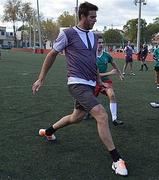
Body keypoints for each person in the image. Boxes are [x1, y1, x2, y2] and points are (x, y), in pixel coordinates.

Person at [31, 2, 128, 176]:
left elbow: (93, 62)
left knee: (76, 117)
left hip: (90, 84)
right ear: (82, 16)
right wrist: (41, 78)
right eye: (92, 17)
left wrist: (99, 80)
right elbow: (52, 54)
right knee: (101, 114)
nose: (95, 20)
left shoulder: (94, 36)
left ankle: (48, 132)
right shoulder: (67, 34)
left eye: (96, 17)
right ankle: (116, 159)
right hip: (76, 83)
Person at [91, 36, 124, 126]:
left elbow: (114, 64)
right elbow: (94, 74)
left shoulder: (106, 55)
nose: (100, 45)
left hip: (105, 81)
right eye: (98, 43)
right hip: (93, 81)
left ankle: (114, 118)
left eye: (102, 43)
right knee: (87, 105)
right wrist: (110, 72)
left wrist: (120, 74)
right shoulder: (91, 56)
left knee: (112, 95)